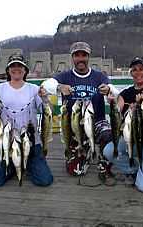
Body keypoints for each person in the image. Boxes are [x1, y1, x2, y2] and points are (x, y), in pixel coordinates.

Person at [41, 41, 119, 185]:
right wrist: (59, 87)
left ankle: (104, 166)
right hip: (74, 125)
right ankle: (86, 152)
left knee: (109, 134)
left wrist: (108, 90)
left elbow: (115, 91)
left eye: (84, 55)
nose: (81, 58)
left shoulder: (99, 76)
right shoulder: (64, 76)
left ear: (88, 57)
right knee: (76, 171)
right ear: (72, 57)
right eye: (77, 55)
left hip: (97, 122)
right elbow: (45, 85)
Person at [0, 53, 53, 188]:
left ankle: (25, 164)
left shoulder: (34, 89)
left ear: (25, 70)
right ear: (8, 70)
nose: (16, 69)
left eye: (20, 66)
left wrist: (45, 98)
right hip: (4, 140)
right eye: (13, 66)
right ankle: (11, 167)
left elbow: (49, 110)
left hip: (31, 139)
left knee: (44, 180)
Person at [103, 57, 143, 190]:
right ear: (131, 73)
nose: (138, 72)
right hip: (132, 138)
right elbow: (118, 111)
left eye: (141, 69)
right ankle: (132, 170)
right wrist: (112, 102)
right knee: (109, 151)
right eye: (134, 70)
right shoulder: (126, 93)